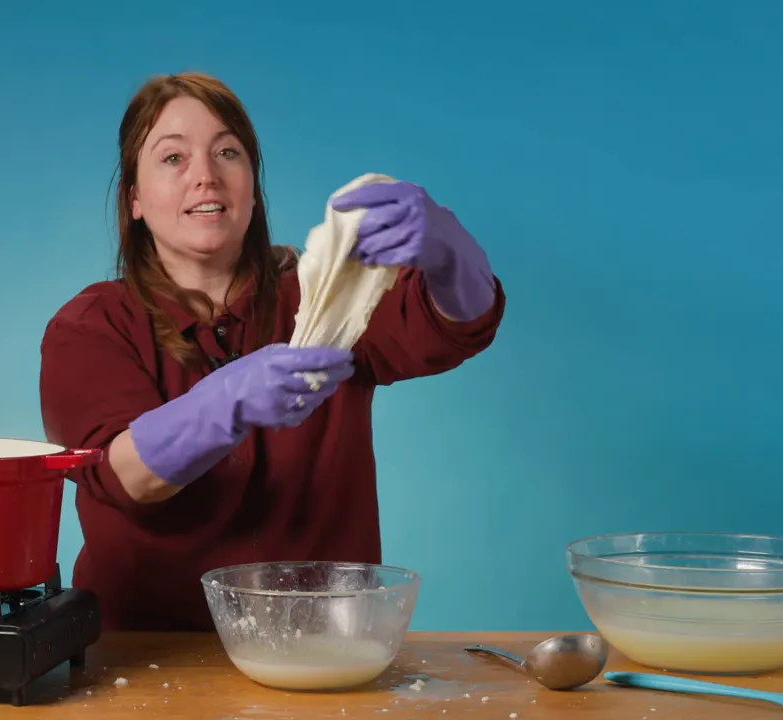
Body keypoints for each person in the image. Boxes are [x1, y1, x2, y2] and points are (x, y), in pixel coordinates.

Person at [39, 72, 505, 631]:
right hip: (145, 655)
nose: (205, 176)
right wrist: (223, 403)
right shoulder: (90, 327)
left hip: (326, 645)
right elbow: (122, 476)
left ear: (252, 188)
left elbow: (457, 325)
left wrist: (450, 251)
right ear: (134, 199)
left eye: (227, 152)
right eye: (172, 159)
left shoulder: (327, 294)